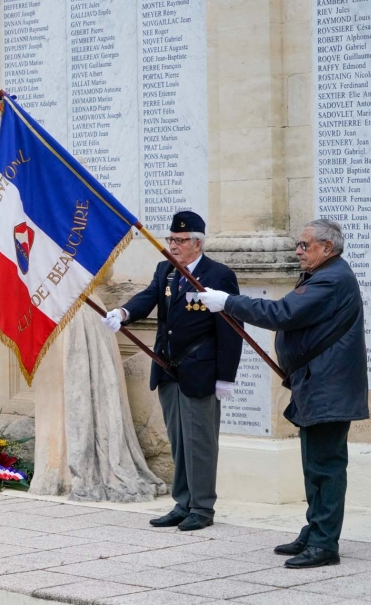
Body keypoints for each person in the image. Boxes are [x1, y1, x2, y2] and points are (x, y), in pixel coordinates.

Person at [198, 219, 368, 568]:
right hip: (317, 385)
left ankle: (324, 543)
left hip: (328, 389)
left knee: (325, 467)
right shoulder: (324, 274)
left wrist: (228, 301)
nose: (298, 251)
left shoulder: (332, 279)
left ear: (327, 247)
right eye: (299, 244)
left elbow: (281, 313)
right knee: (314, 466)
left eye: (305, 245)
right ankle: (315, 530)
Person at [101, 211, 243, 531]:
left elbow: (231, 329)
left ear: (197, 243)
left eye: (180, 241)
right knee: (179, 441)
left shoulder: (218, 275)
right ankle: (183, 503)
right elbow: (148, 298)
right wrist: (123, 312)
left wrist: (225, 376)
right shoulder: (166, 270)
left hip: (200, 372)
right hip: (168, 369)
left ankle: (203, 508)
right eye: (171, 239)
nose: (173, 246)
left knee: (200, 443)